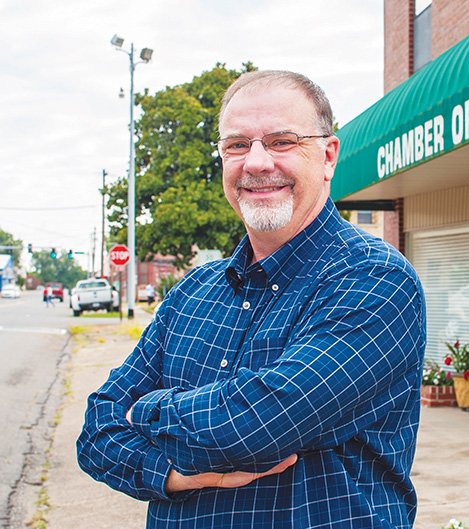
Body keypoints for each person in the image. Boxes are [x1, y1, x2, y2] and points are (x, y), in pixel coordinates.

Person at [77, 70, 426, 529]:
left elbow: (254, 428)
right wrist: (171, 475)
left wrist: (144, 409)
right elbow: (94, 434)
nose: (256, 163)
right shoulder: (192, 292)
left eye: (282, 141)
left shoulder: (375, 280)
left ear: (327, 155)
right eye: (237, 146)